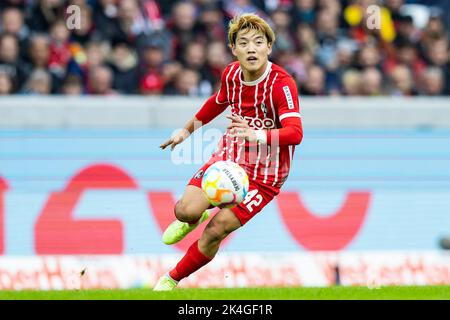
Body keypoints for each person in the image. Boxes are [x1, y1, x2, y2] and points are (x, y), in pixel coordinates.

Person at [153, 13, 303, 291]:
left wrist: (254, 134)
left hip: (264, 176)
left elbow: (296, 133)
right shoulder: (231, 74)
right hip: (230, 158)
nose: (251, 48)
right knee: (185, 210)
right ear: (233, 49)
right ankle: (192, 219)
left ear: (269, 47)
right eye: (243, 43)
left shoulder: (282, 84)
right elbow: (217, 102)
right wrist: (186, 131)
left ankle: (170, 280)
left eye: (259, 42)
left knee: (215, 230)